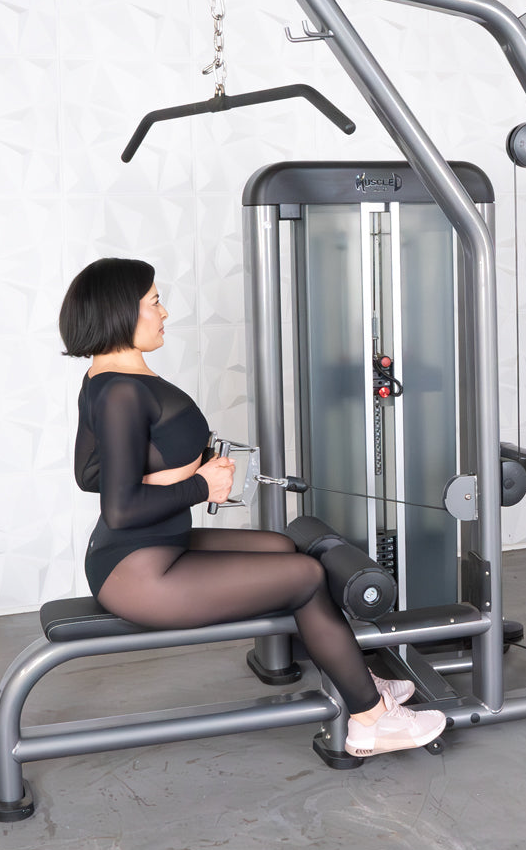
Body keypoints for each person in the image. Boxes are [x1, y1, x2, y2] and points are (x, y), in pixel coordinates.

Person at [59, 257, 446, 757]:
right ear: (120, 312)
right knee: (305, 576)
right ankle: (369, 720)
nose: (165, 312)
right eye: (154, 302)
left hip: (156, 545)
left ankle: (356, 677)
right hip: (137, 573)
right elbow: (121, 509)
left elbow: (88, 473)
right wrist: (200, 485)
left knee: (282, 548)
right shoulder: (122, 392)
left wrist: (176, 468)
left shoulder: (103, 378)